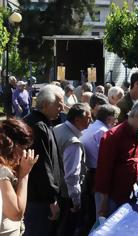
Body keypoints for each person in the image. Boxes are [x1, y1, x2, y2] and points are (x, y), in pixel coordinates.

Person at [95, 97, 138, 217]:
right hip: (112, 197)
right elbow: (104, 171)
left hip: (129, 192)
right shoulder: (113, 136)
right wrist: (103, 203)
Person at [23, 84, 65, 236]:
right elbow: (43, 167)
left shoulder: (40, 122)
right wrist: (52, 199)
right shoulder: (38, 126)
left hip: (39, 197)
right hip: (40, 199)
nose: (62, 109)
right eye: (59, 105)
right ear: (46, 104)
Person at [54, 103, 92, 235]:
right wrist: (76, 201)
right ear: (77, 119)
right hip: (67, 195)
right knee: (68, 229)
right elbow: (72, 175)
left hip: (57, 190)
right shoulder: (73, 142)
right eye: (88, 118)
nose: (91, 121)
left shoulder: (58, 128)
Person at [80, 104, 120, 221]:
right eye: (115, 118)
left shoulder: (91, 127)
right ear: (108, 119)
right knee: (102, 213)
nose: (116, 121)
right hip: (98, 173)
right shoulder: (104, 132)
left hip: (91, 172)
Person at [0, 118, 38, 236]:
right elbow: (16, 214)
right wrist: (24, 174)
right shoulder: (2, 171)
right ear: (11, 145)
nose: (24, 153)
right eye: (22, 148)